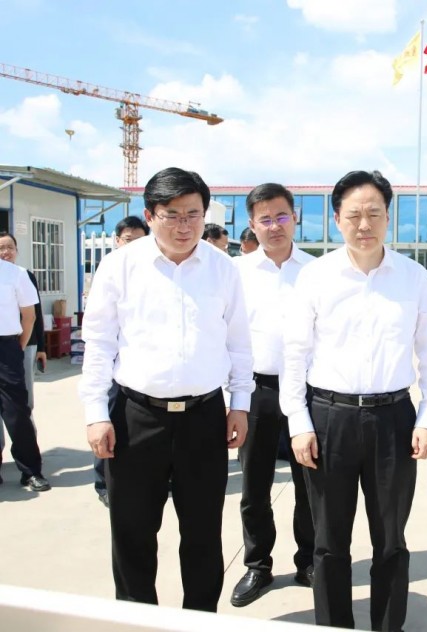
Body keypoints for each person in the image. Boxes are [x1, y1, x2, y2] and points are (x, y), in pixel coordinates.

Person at [78, 167, 253, 612]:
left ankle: (200, 618)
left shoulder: (222, 269)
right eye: (171, 214)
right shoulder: (120, 266)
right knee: (132, 532)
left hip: (204, 418)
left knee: (203, 532)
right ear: (149, 215)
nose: (183, 225)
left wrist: (240, 404)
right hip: (136, 417)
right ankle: (137, 618)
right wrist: (96, 413)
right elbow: (98, 344)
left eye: (193, 214)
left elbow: (238, 343)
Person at [280, 170, 427, 631]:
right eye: (354, 215)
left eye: (374, 213)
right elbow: (295, 355)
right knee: (329, 542)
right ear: (337, 219)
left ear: (389, 217)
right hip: (328, 419)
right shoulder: (315, 277)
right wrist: (298, 422)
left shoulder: (413, 278)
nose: (364, 224)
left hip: (393, 419)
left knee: (390, 539)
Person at [229, 183, 316, 607]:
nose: (274, 226)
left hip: (310, 392)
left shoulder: (317, 270)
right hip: (257, 390)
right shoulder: (237, 272)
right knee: (255, 484)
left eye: (282, 216)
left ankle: (309, 561)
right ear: (252, 224)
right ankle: (257, 565)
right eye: (265, 219)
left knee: (310, 483)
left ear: (294, 217)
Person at [92, 216, 149, 508]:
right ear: (117, 241)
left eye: (140, 240)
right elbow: (99, 331)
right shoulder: (111, 269)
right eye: (128, 240)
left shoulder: (152, 271)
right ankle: (103, 482)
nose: (134, 245)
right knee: (108, 419)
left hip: (139, 365)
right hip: (114, 364)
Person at [0, 252, 50, 492]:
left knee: (17, 411)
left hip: (7, 347)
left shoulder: (16, 274)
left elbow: (29, 316)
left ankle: (31, 471)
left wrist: (17, 347)